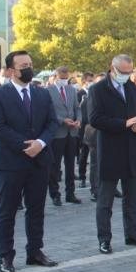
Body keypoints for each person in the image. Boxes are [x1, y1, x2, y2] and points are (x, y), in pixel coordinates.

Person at [0, 51, 59, 272]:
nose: (29, 68)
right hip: (10, 162)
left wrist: (40, 143)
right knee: (7, 212)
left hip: (39, 160)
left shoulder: (42, 93)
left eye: (30, 64)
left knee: (36, 210)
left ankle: (35, 252)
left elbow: (51, 122)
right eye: (23, 65)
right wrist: (25, 145)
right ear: (11, 71)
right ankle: (6, 257)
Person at [88, 55, 136, 255]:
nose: (126, 76)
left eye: (129, 72)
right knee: (105, 200)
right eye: (123, 72)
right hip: (110, 149)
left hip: (132, 149)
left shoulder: (132, 88)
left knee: (132, 198)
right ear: (112, 69)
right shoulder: (97, 89)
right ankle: (104, 239)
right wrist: (123, 124)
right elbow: (95, 119)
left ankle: (132, 234)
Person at [45, 67, 82, 206]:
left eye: (66, 78)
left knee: (71, 165)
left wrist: (79, 120)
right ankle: (55, 194)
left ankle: (70, 193)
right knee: (54, 166)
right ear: (55, 76)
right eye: (62, 78)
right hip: (57, 133)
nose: (64, 80)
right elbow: (47, 112)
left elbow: (76, 108)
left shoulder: (71, 90)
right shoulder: (47, 91)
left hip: (71, 133)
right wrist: (62, 120)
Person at [81, 73, 106, 201]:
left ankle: (111, 188)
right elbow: (86, 118)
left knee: (109, 162)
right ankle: (95, 190)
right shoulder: (87, 98)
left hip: (109, 134)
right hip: (94, 134)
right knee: (95, 163)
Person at [77, 71, 95, 188]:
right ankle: (82, 177)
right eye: (90, 81)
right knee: (83, 155)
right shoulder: (80, 94)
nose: (92, 83)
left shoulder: (96, 93)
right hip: (85, 129)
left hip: (96, 130)